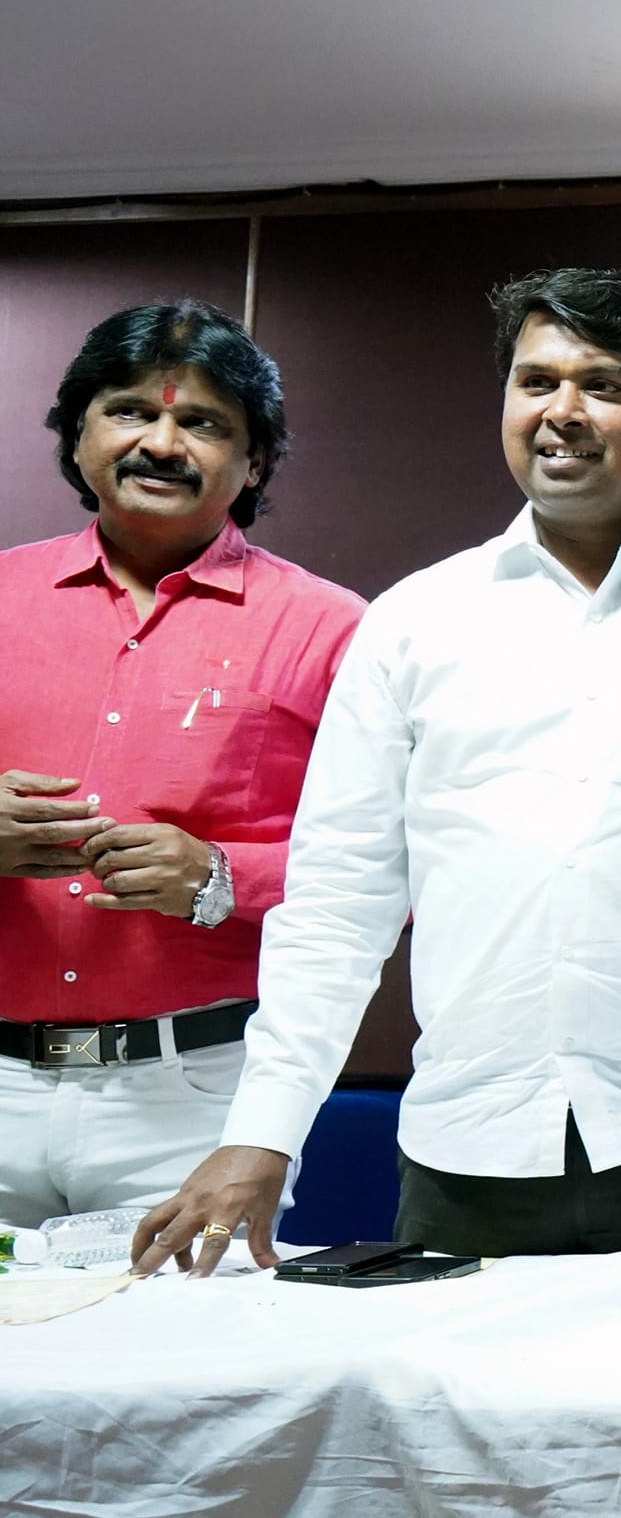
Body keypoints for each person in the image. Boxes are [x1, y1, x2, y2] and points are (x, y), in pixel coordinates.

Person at [133, 267, 621, 1274]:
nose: (562, 412)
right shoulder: (414, 621)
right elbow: (338, 902)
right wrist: (263, 1132)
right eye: (536, 382)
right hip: (469, 1151)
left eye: (604, 385)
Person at [0, 302, 362, 1229]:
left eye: (202, 422)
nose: (161, 443)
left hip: (194, 1096)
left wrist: (222, 876)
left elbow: (392, 876)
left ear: (256, 460)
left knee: (183, 1329)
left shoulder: (334, 630)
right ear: (76, 432)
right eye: (128, 411)